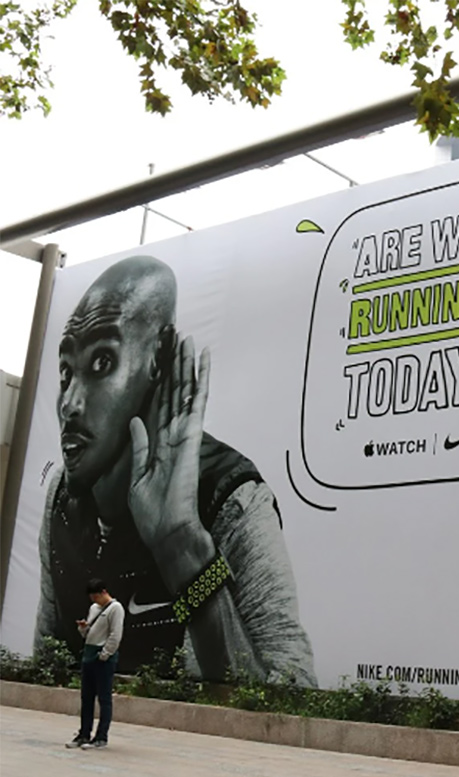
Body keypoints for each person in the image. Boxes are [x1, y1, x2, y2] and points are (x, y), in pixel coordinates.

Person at [35, 255, 316, 687]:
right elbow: (45, 668)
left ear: (158, 360)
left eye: (101, 363)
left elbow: (286, 710)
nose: (70, 403)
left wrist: (184, 552)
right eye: (66, 371)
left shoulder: (232, 502)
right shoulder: (62, 501)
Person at [66, 578, 124, 749]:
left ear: (104, 592)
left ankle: (101, 737)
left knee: (104, 699)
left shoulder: (116, 608)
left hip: (102, 658)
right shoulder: (94, 608)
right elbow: (88, 633)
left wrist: (105, 654)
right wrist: (83, 628)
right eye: (92, 598)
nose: (95, 601)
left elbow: (115, 635)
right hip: (89, 655)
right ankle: (84, 734)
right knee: (87, 698)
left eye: (96, 597)